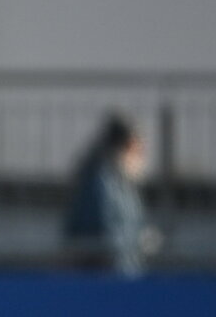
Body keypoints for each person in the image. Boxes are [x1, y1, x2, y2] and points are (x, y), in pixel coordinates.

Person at [62, 110, 150, 276]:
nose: (141, 158)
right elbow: (98, 237)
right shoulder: (101, 184)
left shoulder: (122, 183)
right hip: (106, 281)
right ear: (126, 147)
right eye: (137, 150)